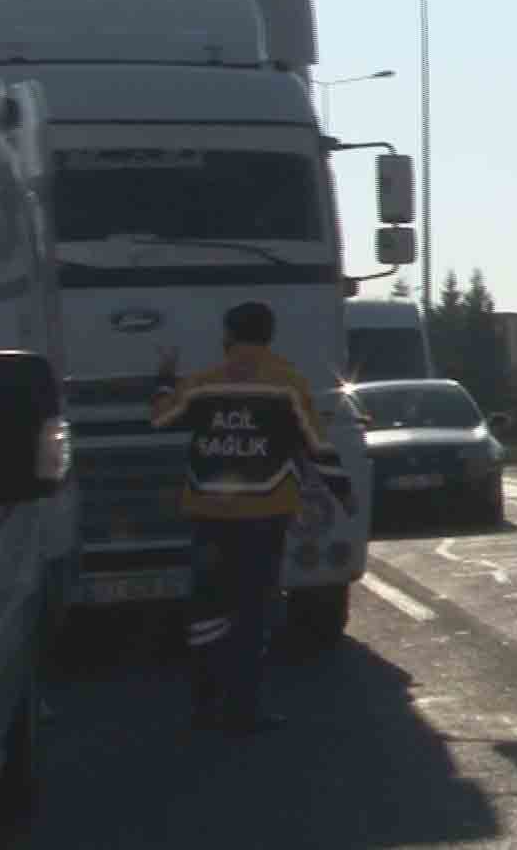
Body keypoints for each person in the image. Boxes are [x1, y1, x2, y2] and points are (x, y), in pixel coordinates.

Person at [150, 301, 356, 734]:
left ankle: (205, 705)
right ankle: (244, 708)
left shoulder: (204, 383)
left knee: (208, 611)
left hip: (210, 516)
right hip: (265, 517)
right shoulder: (287, 384)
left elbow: (161, 419)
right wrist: (344, 496)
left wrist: (164, 379)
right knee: (253, 612)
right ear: (269, 335)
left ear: (229, 335)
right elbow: (317, 448)